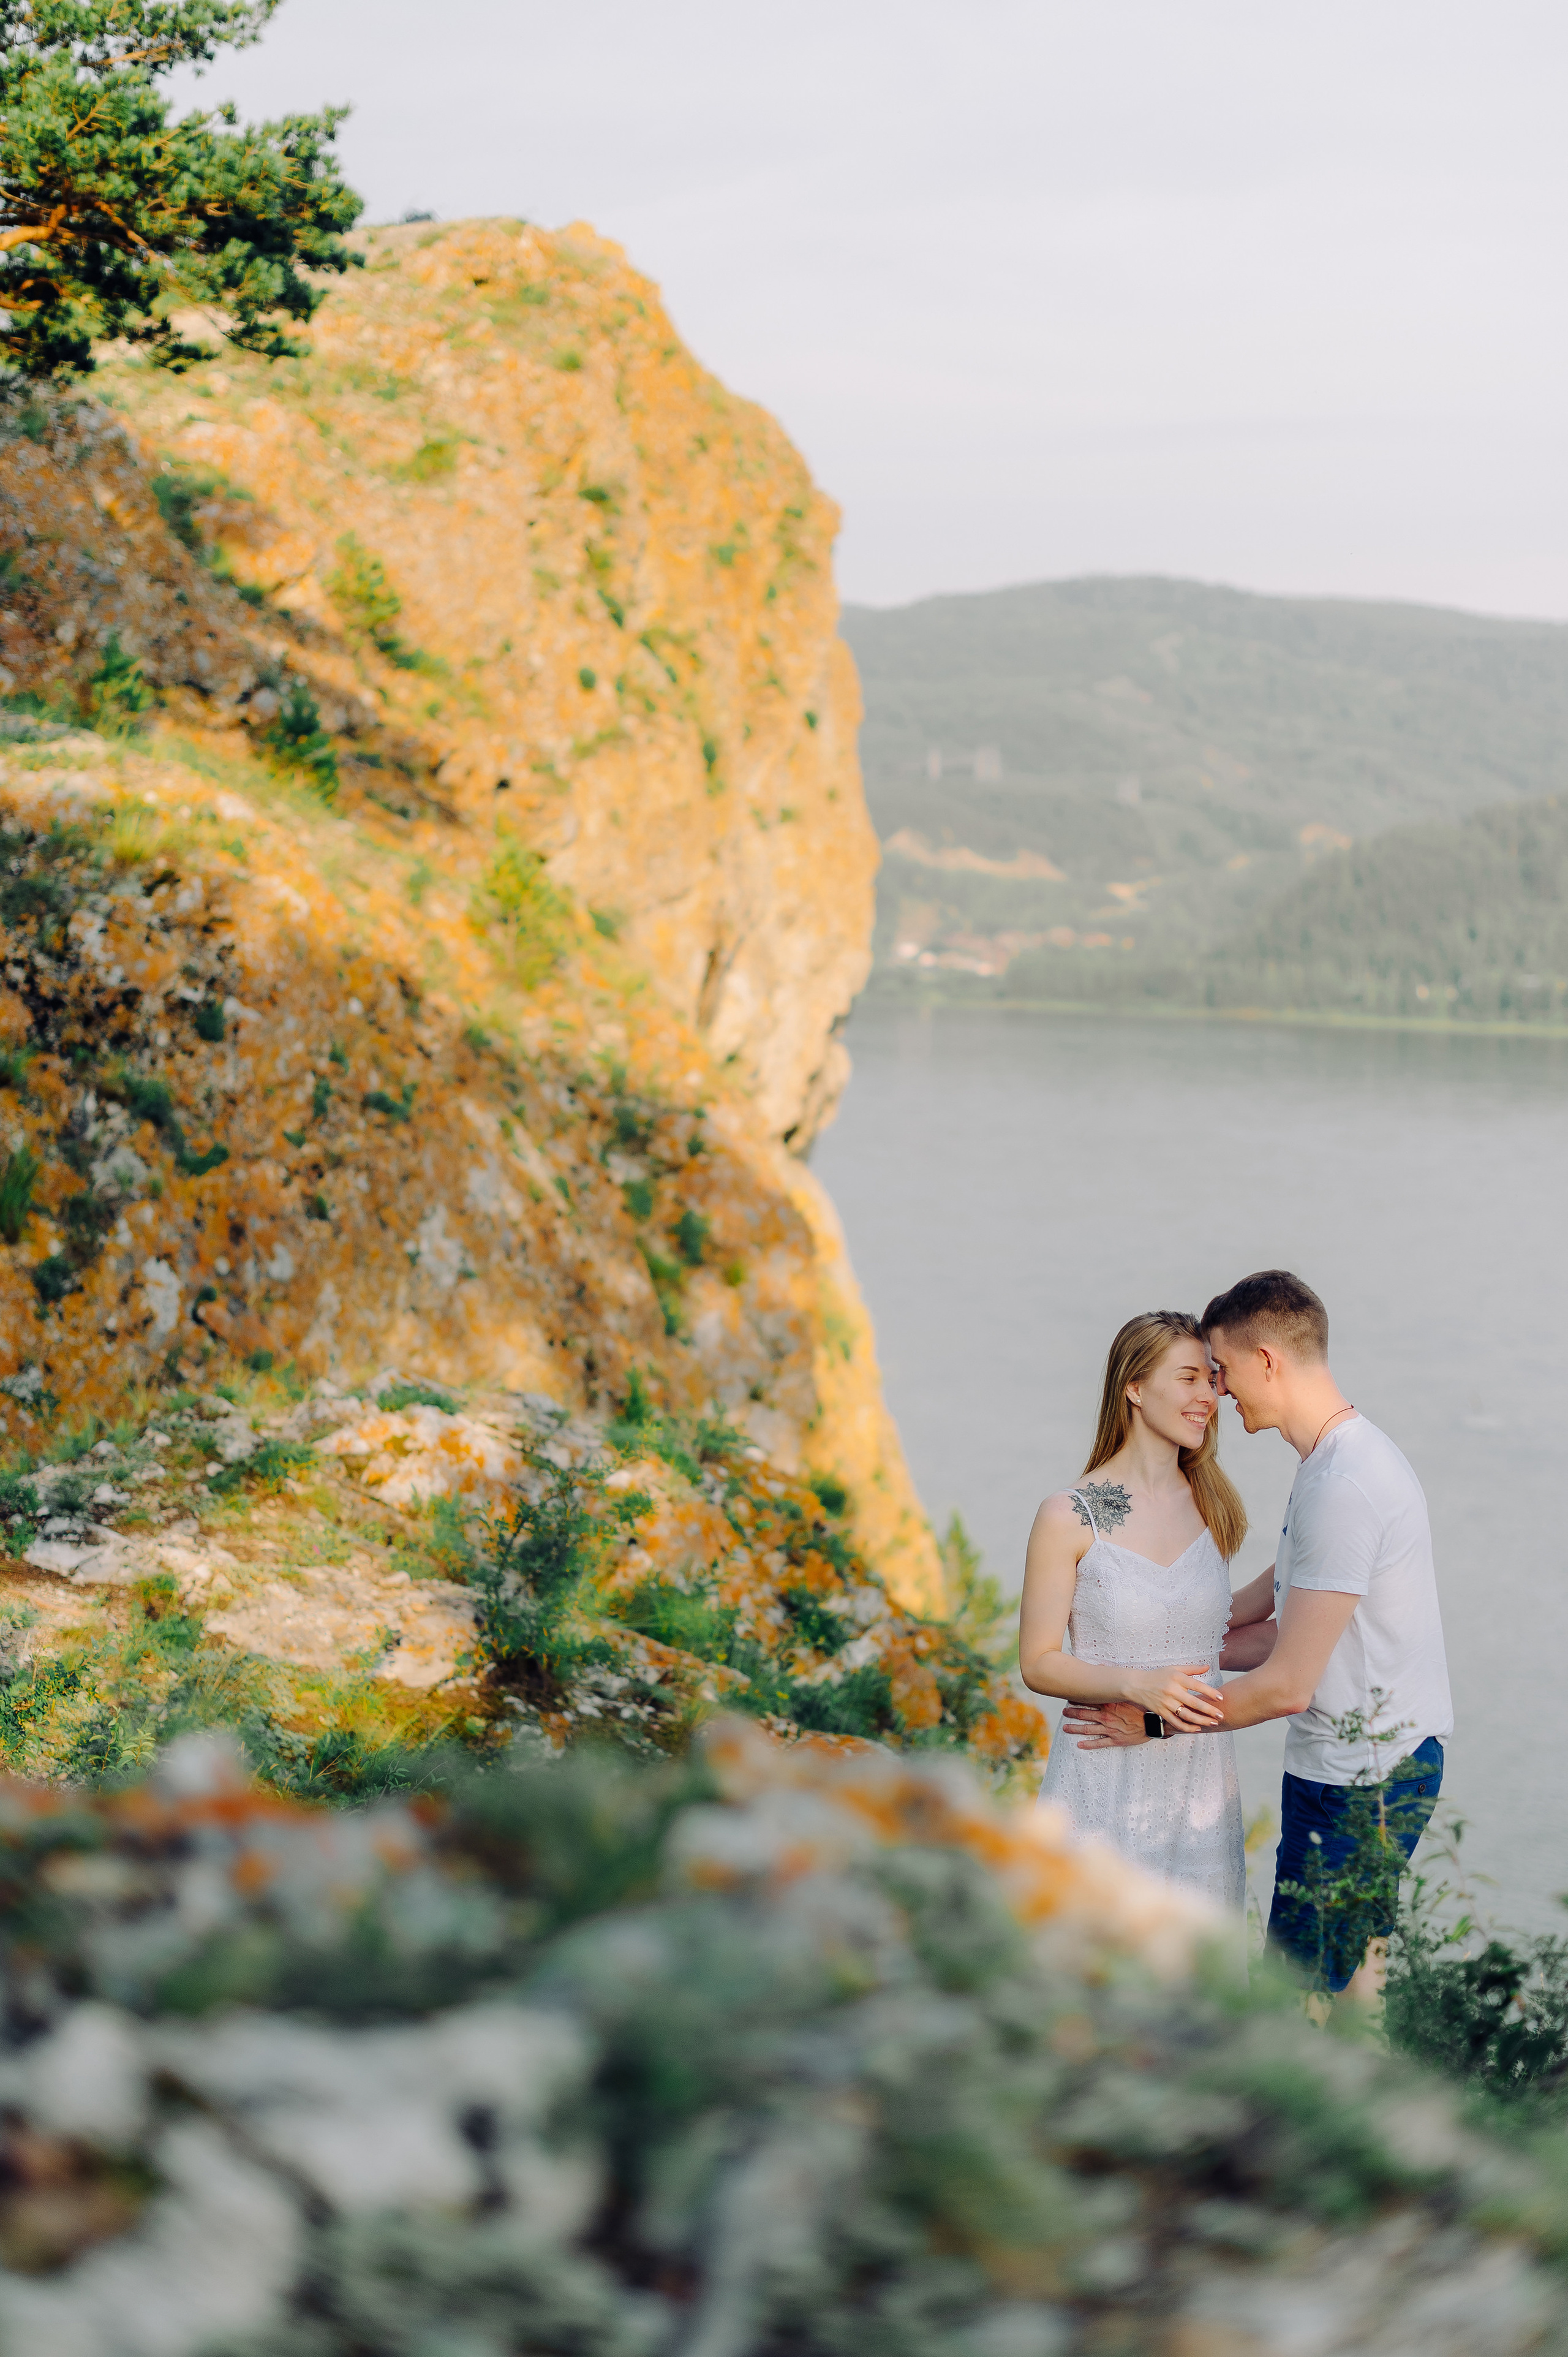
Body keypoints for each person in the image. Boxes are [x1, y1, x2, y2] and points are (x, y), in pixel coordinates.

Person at [1062, 1269, 1453, 2003]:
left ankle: (1282, 2119)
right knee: (1354, 1992)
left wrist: (1146, 1721)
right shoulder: (1330, 1466)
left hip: (1360, 1780)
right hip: (1366, 1764)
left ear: (1267, 1359)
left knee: (1291, 2001)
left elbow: (1284, 1685)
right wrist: (1146, 1647)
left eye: (1222, 1368)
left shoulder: (1345, 1487)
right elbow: (1268, 1629)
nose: (1217, 1390)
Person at [1020, 1309, 1248, 1909]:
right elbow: (1038, 1661)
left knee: (1199, 1986)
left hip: (1200, 1789)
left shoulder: (1212, 1505)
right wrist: (1135, 1683)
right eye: (1189, 1378)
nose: (1209, 1396)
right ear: (1135, 1387)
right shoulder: (1069, 1514)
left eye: (1212, 1380)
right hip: (1103, 1776)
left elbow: (1219, 1635)